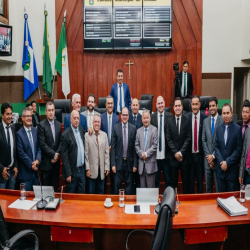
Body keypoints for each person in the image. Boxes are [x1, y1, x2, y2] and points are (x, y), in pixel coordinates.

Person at [214, 103, 242, 192]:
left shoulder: (237, 129)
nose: (226, 115)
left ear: (231, 113)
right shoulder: (218, 129)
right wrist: (222, 162)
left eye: (227, 113)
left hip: (231, 173)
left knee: (231, 201)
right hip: (221, 172)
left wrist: (227, 162)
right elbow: (216, 146)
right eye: (224, 113)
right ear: (221, 114)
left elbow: (238, 149)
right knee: (221, 200)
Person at [166, 97, 191, 194]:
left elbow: (188, 138)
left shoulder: (187, 120)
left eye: (179, 106)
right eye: (175, 106)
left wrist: (181, 153)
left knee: (186, 185)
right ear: (173, 108)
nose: (177, 108)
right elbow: (168, 139)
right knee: (173, 186)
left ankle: (186, 206)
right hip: (173, 159)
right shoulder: (169, 121)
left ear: (182, 107)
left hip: (184, 158)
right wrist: (176, 153)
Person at [111, 107, 137, 195]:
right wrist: (113, 164)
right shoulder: (115, 128)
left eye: (126, 115)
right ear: (120, 116)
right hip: (118, 163)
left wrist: (135, 164)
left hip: (129, 163)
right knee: (116, 187)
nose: (125, 117)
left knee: (129, 189)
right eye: (123, 115)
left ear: (128, 116)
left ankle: (128, 206)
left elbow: (135, 149)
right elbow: (113, 148)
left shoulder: (133, 129)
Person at [38, 101, 62, 192]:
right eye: (49, 110)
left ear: (55, 111)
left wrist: (57, 154)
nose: (51, 112)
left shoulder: (59, 125)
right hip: (46, 165)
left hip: (56, 165)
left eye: (52, 110)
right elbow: (42, 144)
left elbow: (61, 142)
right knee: (46, 192)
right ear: (46, 112)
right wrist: (53, 154)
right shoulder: (41, 125)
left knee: (55, 190)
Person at [150, 96, 172, 193]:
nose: (160, 105)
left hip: (166, 155)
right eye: (158, 104)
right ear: (156, 105)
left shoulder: (170, 116)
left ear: (164, 103)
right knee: (156, 180)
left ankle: (167, 199)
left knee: (168, 179)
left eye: (161, 103)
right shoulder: (152, 117)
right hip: (155, 156)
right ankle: (157, 201)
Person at [16, 107, 41, 191]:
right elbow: (21, 153)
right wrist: (32, 165)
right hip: (25, 175)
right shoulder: (19, 134)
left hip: (36, 173)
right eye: (27, 116)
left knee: (36, 200)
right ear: (22, 118)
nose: (29, 118)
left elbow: (39, 147)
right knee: (26, 201)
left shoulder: (35, 131)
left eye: (30, 116)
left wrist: (37, 161)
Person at [186, 95, 207, 194]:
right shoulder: (187, 118)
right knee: (190, 184)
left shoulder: (205, 119)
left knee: (200, 184)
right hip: (189, 157)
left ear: (199, 105)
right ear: (191, 105)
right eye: (193, 104)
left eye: (196, 104)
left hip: (200, 156)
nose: (194, 106)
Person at [202, 97, 223, 193]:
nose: (212, 108)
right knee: (208, 190)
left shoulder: (222, 120)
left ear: (217, 106)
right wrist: (209, 158)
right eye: (210, 106)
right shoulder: (205, 121)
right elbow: (203, 140)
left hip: (218, 160)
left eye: (213, 106)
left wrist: (213, 156)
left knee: (218, 189)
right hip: (207, 161)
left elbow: (222, 142)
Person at [61, 110, 86, 193]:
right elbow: (64, 157)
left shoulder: (82, 130)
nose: (76, 120)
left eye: (78, 118)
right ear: (70, 119)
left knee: (82, 197)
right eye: (74, 118)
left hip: (82, 170)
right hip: (72, 172)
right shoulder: (65, 135)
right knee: (71, 198)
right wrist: (68, 174)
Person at [85, 114, 109, 194]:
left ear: (100, 124)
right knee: (91, 193)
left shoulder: (104, 135)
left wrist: (107, 167)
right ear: (92, 123)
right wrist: (87, 168)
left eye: (98, 122)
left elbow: (106, 153)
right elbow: (86, 154)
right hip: (91, 171)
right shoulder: (87, 135)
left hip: (102, 171)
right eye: (95, 121)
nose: (97, 123)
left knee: (101, 192)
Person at [100, 95, 120, 194]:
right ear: (105, 105)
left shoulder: (117, 118)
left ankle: (113, 198)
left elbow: (118, 136)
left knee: (113, 180)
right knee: (102, 179)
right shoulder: (101, 117)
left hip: (113, 152)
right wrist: (105, 147)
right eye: (108, 103)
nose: (110, 105)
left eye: (112, 103)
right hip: (102, 153)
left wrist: (112, 146)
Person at [135, 110, 158, 188]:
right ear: (142, 119)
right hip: (141, 165)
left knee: (150, 191)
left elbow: (155, 145)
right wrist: (142, 154)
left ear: (150, 118)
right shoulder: (138, 131)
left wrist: (146, 154)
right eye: (144, 118)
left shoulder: (154, 130)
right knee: (143, 192)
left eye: (147, 118)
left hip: (150, 166)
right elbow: (136, 145)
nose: (146, 120)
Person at [0, 102, 18, 190]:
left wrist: (16, 166)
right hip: (1, 175)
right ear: (2, 115)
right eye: (7, 114)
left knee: (11, 201)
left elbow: (15, 150)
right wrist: (1, 168)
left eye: (11, 114)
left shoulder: (13, 128)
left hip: (12, 174)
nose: (10, 116)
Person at [128, 98, 143, 192]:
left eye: (136, 105)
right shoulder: (127, 117)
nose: (135, 107)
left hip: (139, 152)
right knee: (129, 179)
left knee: (138, 179)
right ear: (131, 106)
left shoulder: (142, 118)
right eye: (133, 105)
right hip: (129, 152)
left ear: (139, 106)